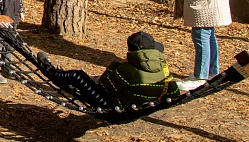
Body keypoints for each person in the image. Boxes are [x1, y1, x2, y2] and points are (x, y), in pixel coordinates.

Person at [36, 31, 180, 109]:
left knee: (77, 75)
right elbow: (174, 92)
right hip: (143, 104)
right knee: (90, 79)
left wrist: (114, 67)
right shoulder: (163, 67)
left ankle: (53, 72)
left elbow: (105, 85)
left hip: (113, 105)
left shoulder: (128, 70)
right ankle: (67, 80)